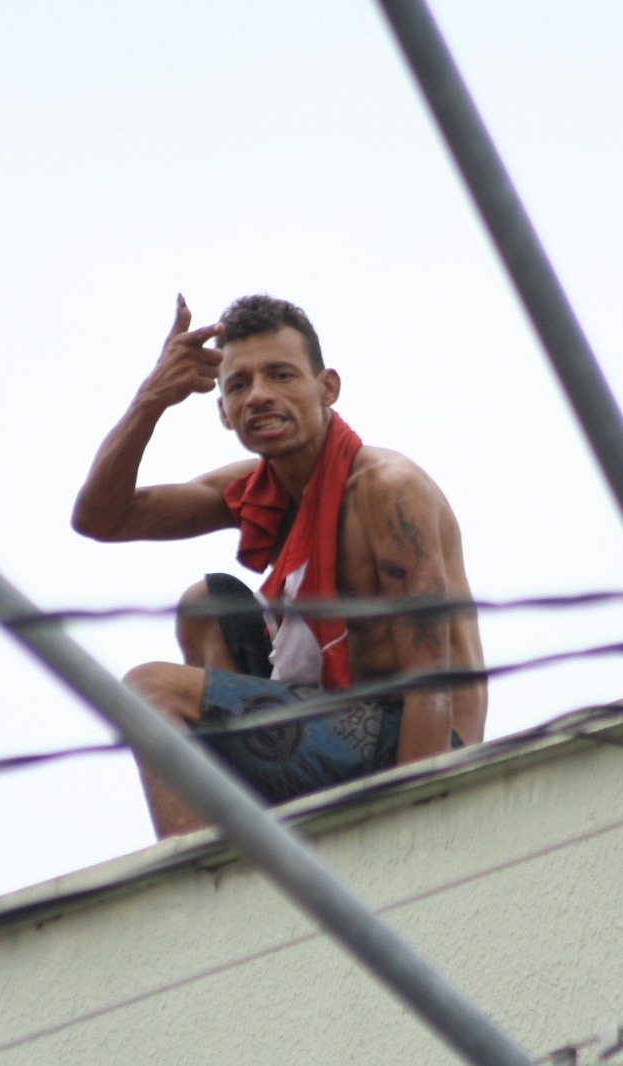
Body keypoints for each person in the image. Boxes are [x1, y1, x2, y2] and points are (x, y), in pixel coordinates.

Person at [72, 293, 485, 837]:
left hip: (414, 742)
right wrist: (151, 399)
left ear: (327, 388)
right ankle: (250, 831)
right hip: (323, 725)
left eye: (281, 375)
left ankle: (208, 877)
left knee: (151, 690)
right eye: (239, 384)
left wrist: (416, 825)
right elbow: (102, 518)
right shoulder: (256, 490)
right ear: (223, 411)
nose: (259, 395)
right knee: (207, 605)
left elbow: (431, 677)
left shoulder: (388, 488)